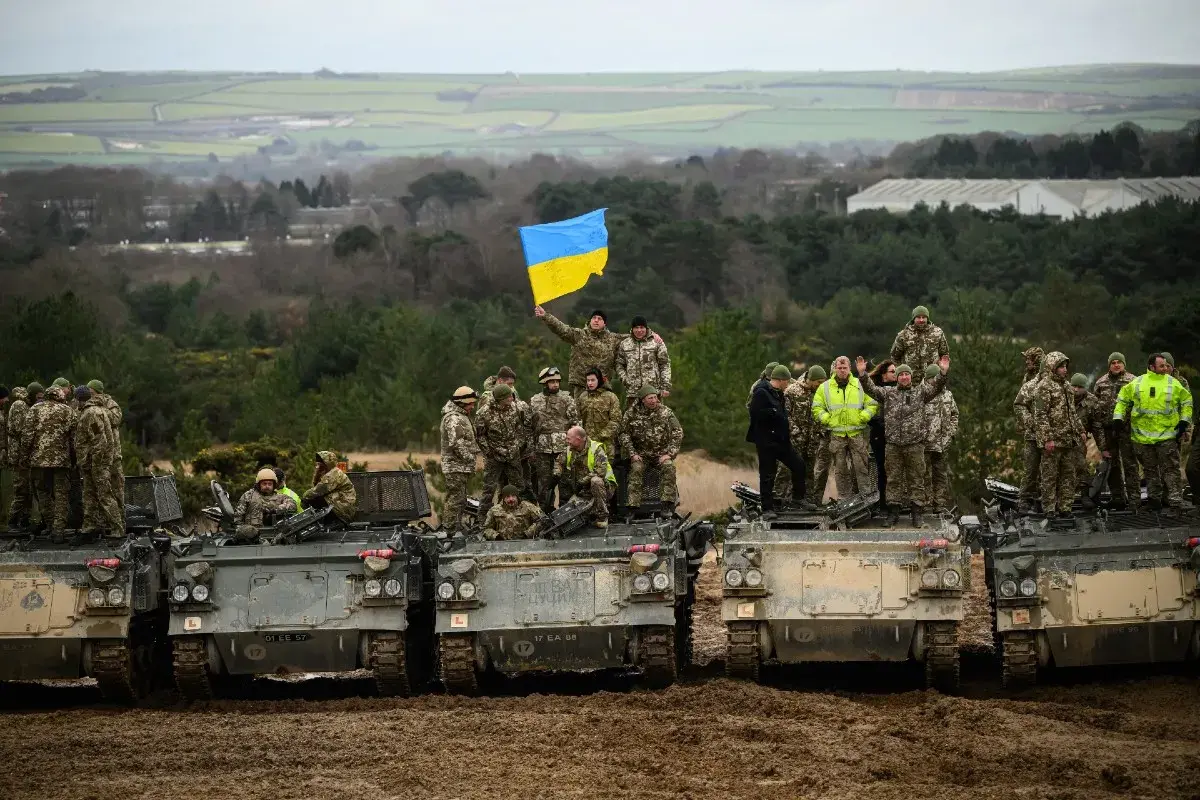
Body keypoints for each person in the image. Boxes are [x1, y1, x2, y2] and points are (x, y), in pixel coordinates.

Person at [858, 355, 950, 525]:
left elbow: (937, 387)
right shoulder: (888, 393)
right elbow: (870, 389)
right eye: (901, 375)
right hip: (893, 445)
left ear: (911, 377)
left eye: (907, 374)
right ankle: (893, 513)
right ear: (898, 378)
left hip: (915, 445)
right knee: (893, 479)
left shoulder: (920, 392)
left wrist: (943, 372)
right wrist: (863, 374)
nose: (904, 377)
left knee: (917, 479)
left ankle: (917, 514)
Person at [1114, 353, 1193, 510]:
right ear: (1151, 367)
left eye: (1165, 365)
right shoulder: (1138, 383)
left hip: (1167, 437)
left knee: (1171, 470)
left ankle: (1176, 501)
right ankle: (1154, 501)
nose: (1165, 368)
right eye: (1162, 365)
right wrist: (1118, 418)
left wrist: (1184, 421)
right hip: (1142, 439)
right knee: (1150, 472)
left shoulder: (1173, 383)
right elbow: (1122, 399)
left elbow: (1187, 401)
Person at [534, 306, 662, 399]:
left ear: (604, 323)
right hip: (581, 385)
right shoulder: (579, 335)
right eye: (594, 318)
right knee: (579, 419)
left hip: (603, 387)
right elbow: (561, 328)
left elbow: (635, 334)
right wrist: (546, 316)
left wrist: (652, 334)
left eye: (599, 318)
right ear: (590, 321)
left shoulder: (613, 339)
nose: (596, 320)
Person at [747, 365, 811, 516]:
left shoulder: (777, 393)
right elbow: (755, 414)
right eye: (787, 382)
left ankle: (798, 498)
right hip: (767, 442)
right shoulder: (761, 392)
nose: (788, 385)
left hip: (781, 440)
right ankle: (767, 508)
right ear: (780, 380)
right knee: (767, 474)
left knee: (799, 465)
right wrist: (773, 412)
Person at [812, 356, 879, 502]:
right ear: (835, 368)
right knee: (840, 470)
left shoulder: (859, 384)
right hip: (837, 434)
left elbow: (873, 403)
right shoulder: (825, 387)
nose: (842, 371)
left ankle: (866, 498)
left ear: (850, 368)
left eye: (845, 368)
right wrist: (826, 419)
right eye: (839, 368)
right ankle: (844, 500)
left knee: (861, 467)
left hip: (856, 433)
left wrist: (864, 416)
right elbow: (817, 407)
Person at [1033, 352, 1084, 518]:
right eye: (1061, 366)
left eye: (1065, 366)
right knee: (1049, 476)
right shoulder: (1044, 387)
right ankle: (1049, 509)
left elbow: (1072, 414)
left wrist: (1080, 430)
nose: (1064, 369)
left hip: (1068, 440)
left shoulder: (1067, 387)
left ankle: (1065, 508)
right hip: (1053, 442)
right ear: (1052, 367)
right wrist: (1047, 439)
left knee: (1069, 476)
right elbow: (1040, 415)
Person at [72, 386, 123, 538]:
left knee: (104, 495)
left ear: (80, 399)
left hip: (97, 464)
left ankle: (117, 528)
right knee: (89, 495)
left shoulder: (92, 413)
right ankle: (89, 526)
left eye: (76, 399)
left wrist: (96, 462)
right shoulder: (89, 411)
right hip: (89, 463)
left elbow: (100, 440)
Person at [620, 385, 683, 509]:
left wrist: (669, 454)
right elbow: (623, 433)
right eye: (650, 398)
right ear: (642, 400)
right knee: (636, 470)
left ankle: (667, 505)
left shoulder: (665, 412)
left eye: (655, 397)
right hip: (641, 455)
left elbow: (678, 432)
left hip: (661, 454)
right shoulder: (631, 414)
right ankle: (633, 506)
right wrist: (632, 453)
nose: (654, 401)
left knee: (669, 468)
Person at [25, 386, 76, 534]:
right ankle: (58, 530)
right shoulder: (67, 410)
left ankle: (49, 523)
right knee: (61, 494)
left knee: (42, 492)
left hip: (38, 461)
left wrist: (24, 456)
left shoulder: (34, 409)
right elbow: (74, 439)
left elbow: (27, 436)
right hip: (61, 460)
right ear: (59, 396)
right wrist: (73, 459)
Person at [474, 383, 530, 515]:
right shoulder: (484, 413)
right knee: (489, 490)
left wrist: (518, 445)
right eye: (509, 397)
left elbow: (520, 428)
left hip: (513, 455)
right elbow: (480, 436)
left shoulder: (514, 408)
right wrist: (489, 452)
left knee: (520, 488)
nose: (512, 399)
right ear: (500, 399)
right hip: (494, 456)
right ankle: (483, 520)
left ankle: (522, 517)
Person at [529, 367, 579, 511]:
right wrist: (531, 448)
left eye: (557, 381)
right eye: (552, 382)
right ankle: (546, 512)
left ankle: (566, 511)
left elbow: (575, 423)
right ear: (544, 383)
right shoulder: (535, 400)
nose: (555, 384)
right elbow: (530, 426)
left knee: (565, 481)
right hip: (542, 448)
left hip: (563, 446)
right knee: (543, 482)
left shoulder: (566, 398)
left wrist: (574, 445)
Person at [1092, 352, 1138, 509]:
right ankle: (1117, 496)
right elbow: (1095, 409)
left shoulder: (1133, 381)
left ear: (1124, 364)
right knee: (1112, 464)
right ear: (1109, 365)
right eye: (1113, 362)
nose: (1116, 365)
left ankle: (1134, 499)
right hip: (1108, 430)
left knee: (1130, 464)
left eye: (1119, 362)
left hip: (1127, 430)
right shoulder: (1100, 383)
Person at [774, 365, 823, 505]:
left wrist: (819, 432)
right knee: (785, 470)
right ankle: (778, 499)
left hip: (812, 441)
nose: (820, 385)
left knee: (808, 471)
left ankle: (805, 500)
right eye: (818, 382)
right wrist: (795, 432)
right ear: (810, 379)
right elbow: (785, 415)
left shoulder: (819, 394)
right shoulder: (792, 391)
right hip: (795, 440)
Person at [439, 386, 480, 530]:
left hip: (460, 466)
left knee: (461, 498)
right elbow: (456, 443)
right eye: (470, 404)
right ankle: (449, 529)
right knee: (455, 498)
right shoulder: (453, 418)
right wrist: (470, 458)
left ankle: (455, 526)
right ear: (462, 403)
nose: (472, 406)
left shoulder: (462, 416)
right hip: (455, 466)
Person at [1013, 346, 1047, 513]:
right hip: (1032, 433)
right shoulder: (1029, 379)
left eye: (1030, 359)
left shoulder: (1050, 380)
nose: (1026, 362)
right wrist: (1029, 422)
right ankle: (1025, 500)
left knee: (1047, 470)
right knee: (1030, 468)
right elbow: (1020, 403)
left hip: (1049, 434)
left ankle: (1043, 499)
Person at [561, 425, 618, 526]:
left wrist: (582, 481)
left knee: (596, 481)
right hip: (583, 491)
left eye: (569, 438)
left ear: (578, 439)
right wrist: (556, 472)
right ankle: (589, 515)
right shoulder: (570, 450)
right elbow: (559, 461)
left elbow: (600, 471)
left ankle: (602, 517)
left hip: (604, 488)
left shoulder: (596, 449)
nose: (567, 441)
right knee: (568, 514)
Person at [923, 364, 959, 513]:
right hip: (924, 443)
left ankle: (939, 505)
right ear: (928, 379)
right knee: (923, 475)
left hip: (943, 443)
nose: (936, 380)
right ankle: (923, 505)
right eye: (933, 378)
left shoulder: (947, 395)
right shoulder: (921, 393)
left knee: (941, 475)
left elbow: (954, 414)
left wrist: (951, 432)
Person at [1069, 373, 1108, 509]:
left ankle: (1084, 495)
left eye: (1080, 387)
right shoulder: (1062, 397)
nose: (1076, 390)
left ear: (1085, 388)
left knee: (1080, 465)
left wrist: (1103, 448)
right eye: (1074, 386)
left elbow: (1097, 427)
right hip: (1060, 437)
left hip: (1079, 438)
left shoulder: (1092, 402)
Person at [87, 380, 125, 515]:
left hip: (113, 454)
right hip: (97, 455)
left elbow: (116, 419)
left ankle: (120, 518)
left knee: (117, 487)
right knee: (99, 490)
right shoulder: (88, 406)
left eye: (92, 392)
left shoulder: (110, 403)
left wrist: (99, 409)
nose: (91, 396)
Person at [616, 315, 671, 406]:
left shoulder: (656, 342)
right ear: (632, 329)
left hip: (653, 392)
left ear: (646, 328)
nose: (639, 330)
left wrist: (665, 386)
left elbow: (664, 364)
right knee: (632, 419)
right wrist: (625, 379)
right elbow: (619, 364)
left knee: (656, 419)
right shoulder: (625, 344)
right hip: (633, 393)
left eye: (642, 327)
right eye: (636, 327)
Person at [866, 360, 897, 507]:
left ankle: (895, 502)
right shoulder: (875, 391)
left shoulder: (900, 389)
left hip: (896, 436)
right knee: (882, 469)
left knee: (895, 470)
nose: (896, 374)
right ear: (884, 374)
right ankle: (882, 503)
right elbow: (867, 411)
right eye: (892, 371)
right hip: (879, 435)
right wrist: (880, 421)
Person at [890, 305, 950, 376]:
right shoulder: (903, 335)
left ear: (927, 319)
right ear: (913, 319)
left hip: (933, 378)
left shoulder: (938, 333)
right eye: (918, 317)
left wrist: (941, 371)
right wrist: (901, 373)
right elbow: (895, 356)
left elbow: (944, 354)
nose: (921, 320)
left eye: (924, 317)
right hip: (911, 379)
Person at [576, 367, 621, 460]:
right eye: (588, 380)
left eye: (593, 380)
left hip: (605, 445)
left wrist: (601, 436)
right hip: (586, 444)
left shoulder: (610, 397)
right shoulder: (582, 397)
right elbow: (578, 418)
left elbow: (616, 421)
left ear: (599, 380)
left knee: (605, 473)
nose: (590, 383)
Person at [5, 384, 34, 527]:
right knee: (21, 490)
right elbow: (22, 430)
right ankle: (12, 521)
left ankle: (24, 520)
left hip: (21, 455)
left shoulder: (21, 405)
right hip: (18, 456)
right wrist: (24, 455)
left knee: (26, 490)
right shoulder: (19, 405)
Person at [303, 451, 358, 524]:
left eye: (321, 463)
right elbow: (316, 486)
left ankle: (322, 522)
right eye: (318, 463)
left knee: (310, 500)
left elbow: (319, 490)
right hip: (339, 505)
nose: (318, 465)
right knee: (313, 500)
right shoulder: (327, 473)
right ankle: (322, 522)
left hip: (343, 508)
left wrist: (305, 496)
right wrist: (318, 474)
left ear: (327, 463)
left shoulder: (334, 473)